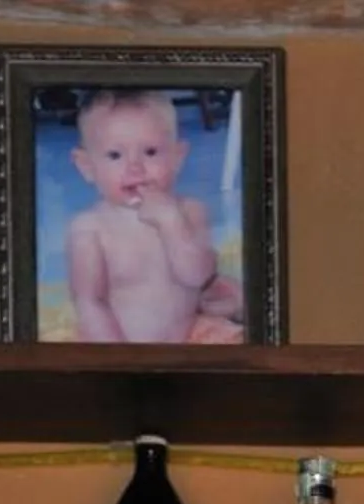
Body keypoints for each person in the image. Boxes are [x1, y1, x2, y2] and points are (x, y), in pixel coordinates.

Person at [61, 90, 244, 345]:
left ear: (177, 158)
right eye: (115, 155)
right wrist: (120, 360)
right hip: (120, 342)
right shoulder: (88, 228)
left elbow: (198, 276)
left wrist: (171, 223)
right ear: (87, 166)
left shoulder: (190, 210)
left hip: (192, 335)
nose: (135, 167)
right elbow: (90, 302)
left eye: (150, 152)